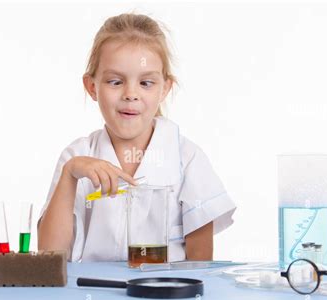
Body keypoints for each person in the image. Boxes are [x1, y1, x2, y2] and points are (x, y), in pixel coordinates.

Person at [38, 13, 236, 262]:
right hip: (94, 295)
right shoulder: (77, 156)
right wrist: (69, 175)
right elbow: (49, 257)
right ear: (91, 87)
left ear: (165, 88)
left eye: (146, 83)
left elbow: (200, 266)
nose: (131, 94)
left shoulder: (187, 158)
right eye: (115, 81)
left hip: (163, 297)